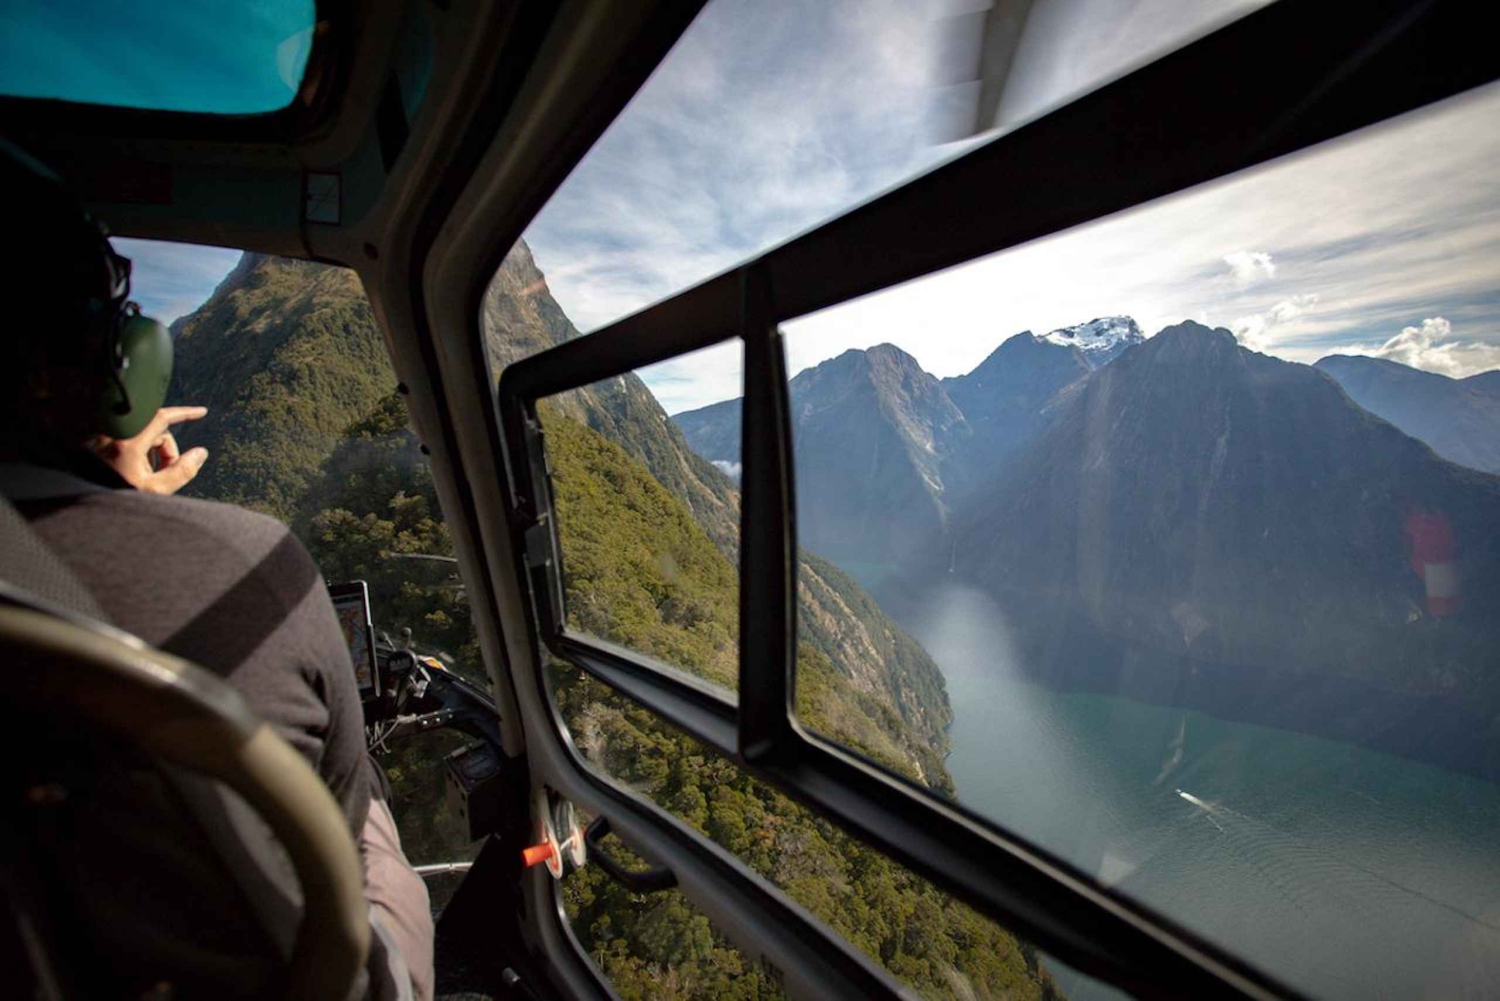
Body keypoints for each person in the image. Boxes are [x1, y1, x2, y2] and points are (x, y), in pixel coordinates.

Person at [0, 143, 434, 999]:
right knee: (371, 829)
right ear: (108, 362)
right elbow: (334, 816)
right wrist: (130, 520)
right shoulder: (251, 564)